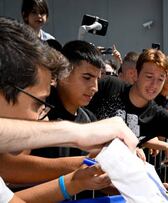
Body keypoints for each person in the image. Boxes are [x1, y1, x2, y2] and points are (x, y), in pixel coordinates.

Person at [0, 17, 137, 202]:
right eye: (38, 102)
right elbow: (9, 166)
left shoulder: (87, 117)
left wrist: (80, 178)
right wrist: (79, 146)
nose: (41, 117)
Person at [87, 48, 168, 158]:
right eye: (149, 77)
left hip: (113, 186)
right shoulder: (109, 86)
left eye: (160, 79)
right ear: (135, 75)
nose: (154, 85)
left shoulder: (157, 115)